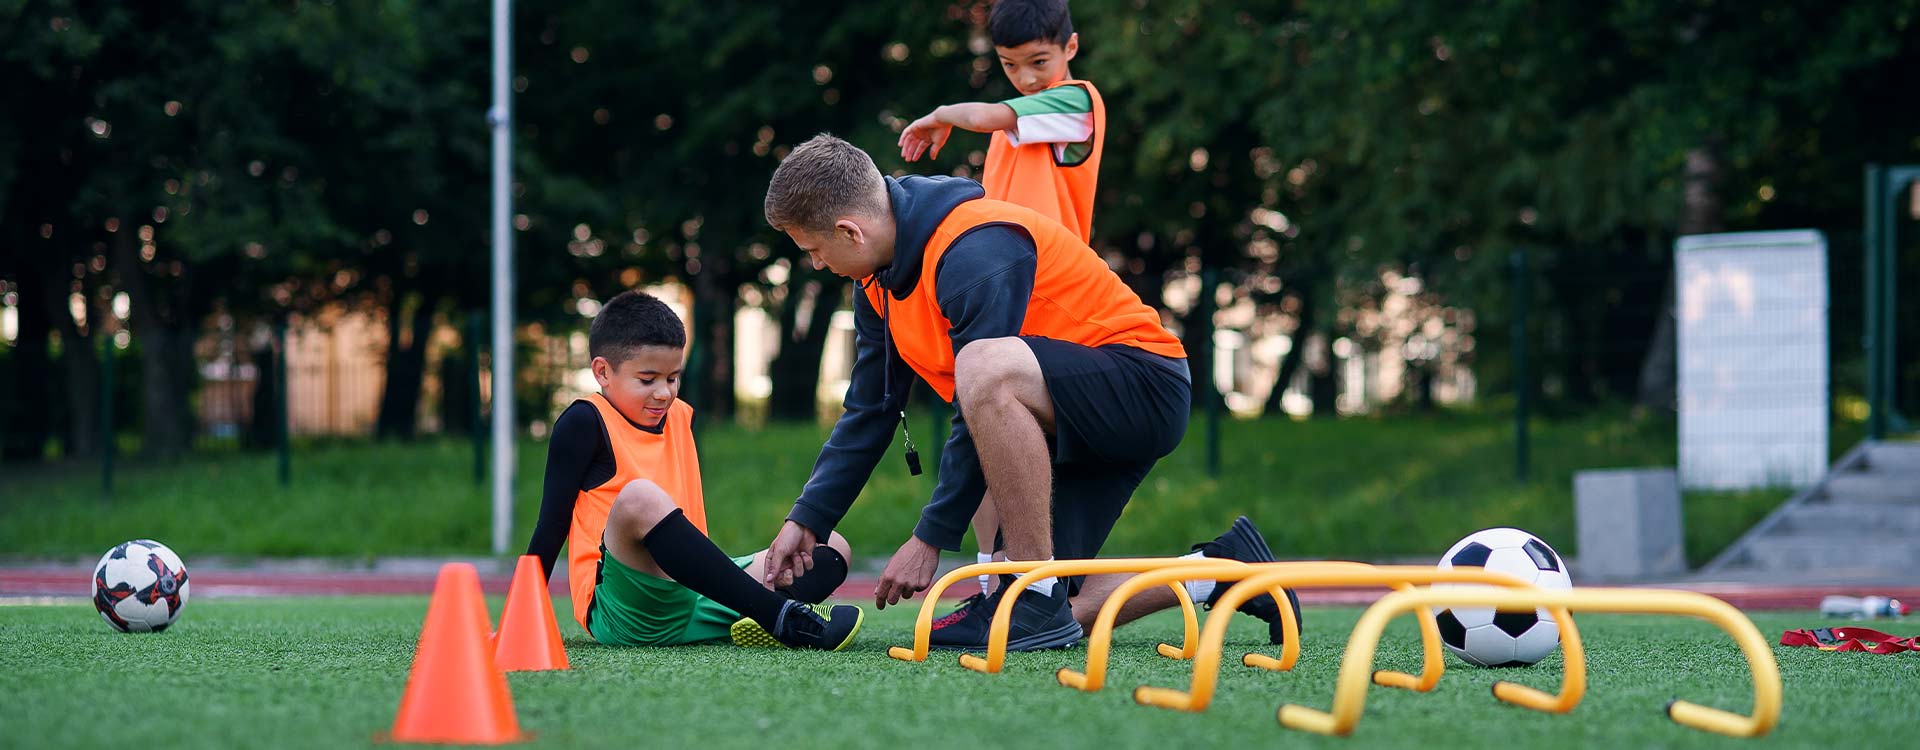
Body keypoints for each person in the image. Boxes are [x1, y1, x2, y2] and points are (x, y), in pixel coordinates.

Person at [759, 134, 1299, 651]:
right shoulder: (875, 281)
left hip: (1141, 387)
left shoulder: (974, 248)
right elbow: (870, 410)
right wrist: (807, 520)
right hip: (1050, 417)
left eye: (813, 249)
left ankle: (1033, 590)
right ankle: (1222, 571)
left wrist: (930, 537)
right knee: (1044, 617)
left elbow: (984, 395)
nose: (816, 264)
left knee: (983, 368)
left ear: (850, 231)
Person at [897, 0, 1108, 590]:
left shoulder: (1077, 102)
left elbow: (994, 114)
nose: (1027, 77)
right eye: (1012, 66)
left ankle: (1029, 581)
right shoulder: (1012, 131)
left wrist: (942, 113)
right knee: (986, 432)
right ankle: (997, 582)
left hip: (1057, 295)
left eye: (1039, 61)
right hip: (1010, 289)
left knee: (1020, 437)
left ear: (1069, 48)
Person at [523, 290, 863, 650]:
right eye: (648, 379)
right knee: (640, 496)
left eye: (673, 378)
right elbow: (551, 525)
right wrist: (521, 618)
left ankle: (749, 615)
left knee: (831, 544)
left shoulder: (682, 416)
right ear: (603, 372)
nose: (663, 393)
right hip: (625, 610)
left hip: (696, 597)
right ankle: (783, 618)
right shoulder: (583, 421)